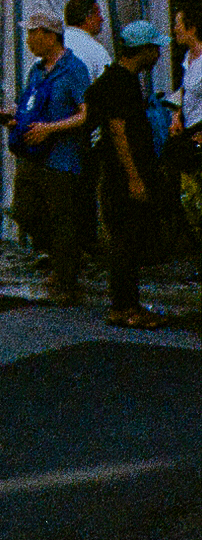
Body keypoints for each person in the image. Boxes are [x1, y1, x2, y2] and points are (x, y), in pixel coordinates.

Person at [86, 20, 170, 331]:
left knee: (126, 241)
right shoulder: (121, 83)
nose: (159, 53)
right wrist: (134, 177)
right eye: (155, 48)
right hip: (123, 176)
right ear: (144, 50)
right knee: (125, 242)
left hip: (115, 174)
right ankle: (125, 307)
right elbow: (118, 131)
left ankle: (126, 304)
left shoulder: (113, 80)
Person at [7, 10, 93, 301]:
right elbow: (29, 104)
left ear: (50, 36)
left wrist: (51, 129)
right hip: (33, 154)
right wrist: (14, 118)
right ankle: (62, 259)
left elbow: (86, 114)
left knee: (61, 218)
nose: (29, 40)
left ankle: (66, 279)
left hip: (61, 157)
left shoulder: (74, 69)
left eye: (34, 33)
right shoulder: (37, 69)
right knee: (25, 210)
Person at [166, 5, 202, 260]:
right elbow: (183, 91)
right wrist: (176, 113)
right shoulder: (187, 59)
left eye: (179, 23)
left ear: (192, 27)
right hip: (188, 132)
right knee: (189, 199)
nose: (175, 29)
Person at [63, 0, 112, 82]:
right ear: (88, 18)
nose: (101, 19)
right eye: (98, 14)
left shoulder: (51, 47)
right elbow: (109, 88)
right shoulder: (96, 51)